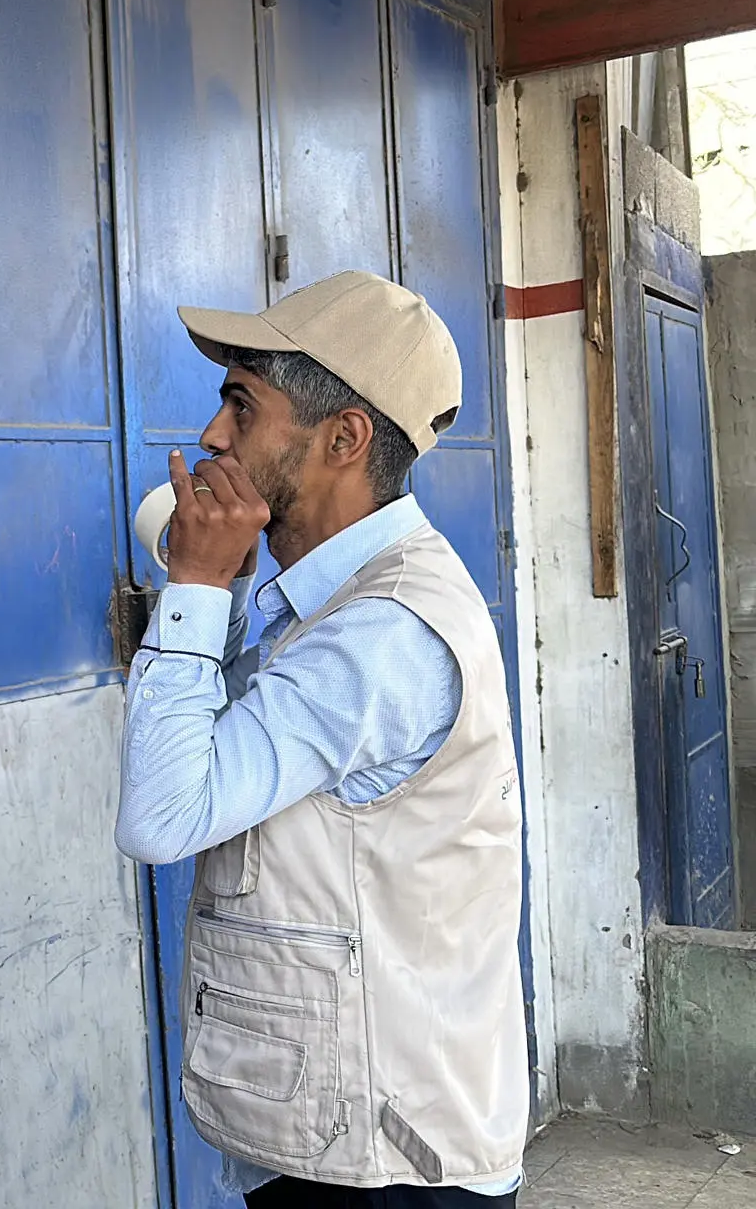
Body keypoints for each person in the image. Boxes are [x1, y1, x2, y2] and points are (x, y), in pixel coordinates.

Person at [116, 271, 526, 1207]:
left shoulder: (381, 633)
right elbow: (220, 761)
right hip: (356, 1137)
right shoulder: (333, 604)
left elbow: (164, 815)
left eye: (241, 405)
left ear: (345, 437)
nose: (213, 437)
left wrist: (194, 587)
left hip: (391, 1167)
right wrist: (215, 597)